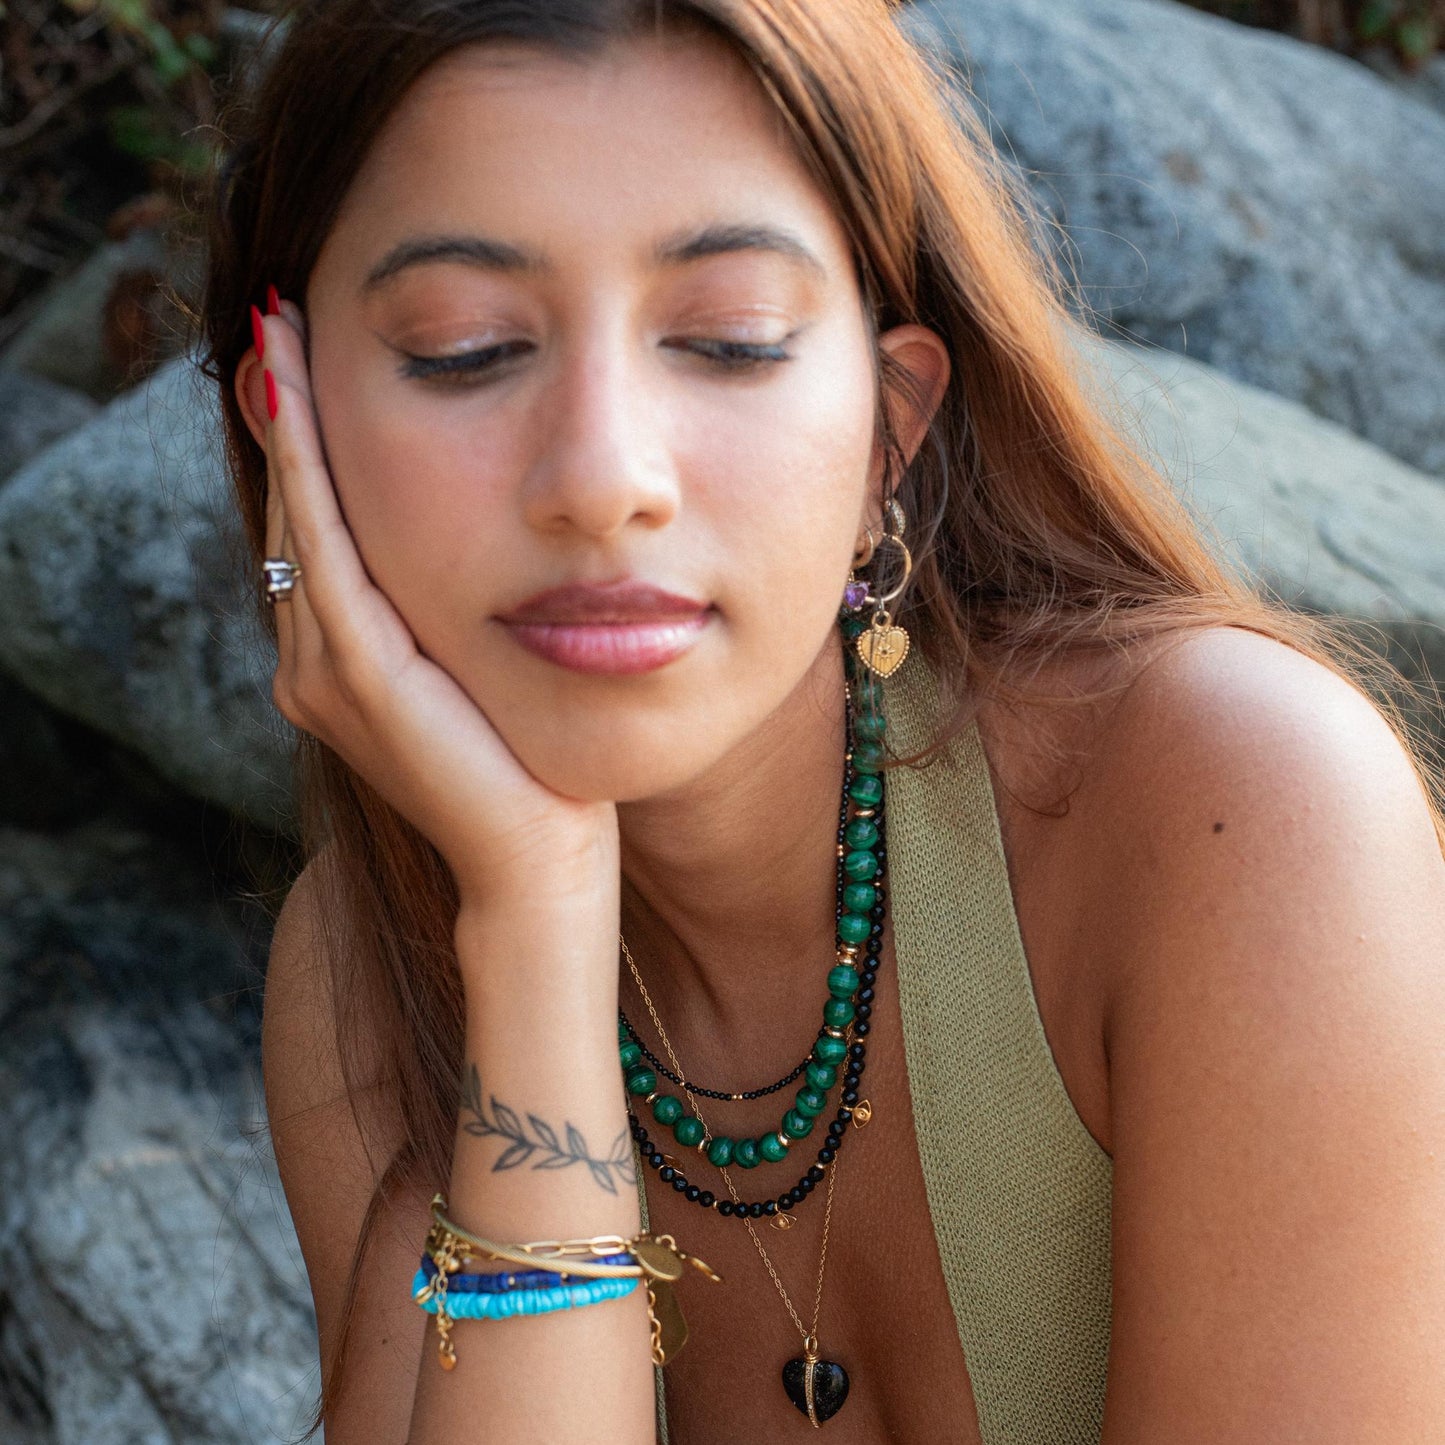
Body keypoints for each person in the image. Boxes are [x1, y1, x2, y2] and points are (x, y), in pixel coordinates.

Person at [199, 1, 1445, 1440]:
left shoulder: (1237, 812)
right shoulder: (369, 968)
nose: (604, 476)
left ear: (886, 435)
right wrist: (534, 936)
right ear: (289, 434)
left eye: (726, 340)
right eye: (466, 347)